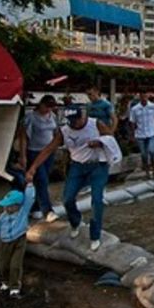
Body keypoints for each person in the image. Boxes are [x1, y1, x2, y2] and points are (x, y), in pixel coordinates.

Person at [26, 107, 112, 252]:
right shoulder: (64, 131)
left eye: (77, 120)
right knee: (67, 198)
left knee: (97, 200)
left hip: (98, 165)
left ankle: (95, 235)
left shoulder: (96, 124)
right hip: (77, 167)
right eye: (71, 121)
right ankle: (75, 221)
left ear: (83, 116)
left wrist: (100, 143)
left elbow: (111, 138)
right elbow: (49, 149)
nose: (75, 124)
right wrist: (33, 167)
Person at [0, 183, 35, 297]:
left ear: (17, 205)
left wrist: (30, 186)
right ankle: (6, 281)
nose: (6, 208)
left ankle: (15, 287)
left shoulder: (22, 213)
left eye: (9, 206)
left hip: (19, 241)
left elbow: (29, 199)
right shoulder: (2, 217)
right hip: (4, 243)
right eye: (5, 206)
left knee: (15, 265)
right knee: (3, 265)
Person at [18, 95, 60, 222]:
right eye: (46, 106)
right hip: (34, 151)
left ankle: (35, 206)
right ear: (41, 104)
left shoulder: (52, 116)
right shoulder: (31, 117)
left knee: (43, 180)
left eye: (50, 107)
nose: (48, 109)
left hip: (49, 152)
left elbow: (56, 133)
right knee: (41, 179)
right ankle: (47, 210)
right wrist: (23, 155)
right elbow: (23, 137)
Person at [129, 91, 154, 178]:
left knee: (152, 151)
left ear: (147, 96)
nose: (144, 98)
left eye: (145, 96)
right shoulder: (135, 109)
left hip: (152, 132)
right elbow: (132, 122)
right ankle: (147, 171)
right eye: (142, 96)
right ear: (140, 97)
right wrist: (133, 134)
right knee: (143, 154)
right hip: (140, 134)